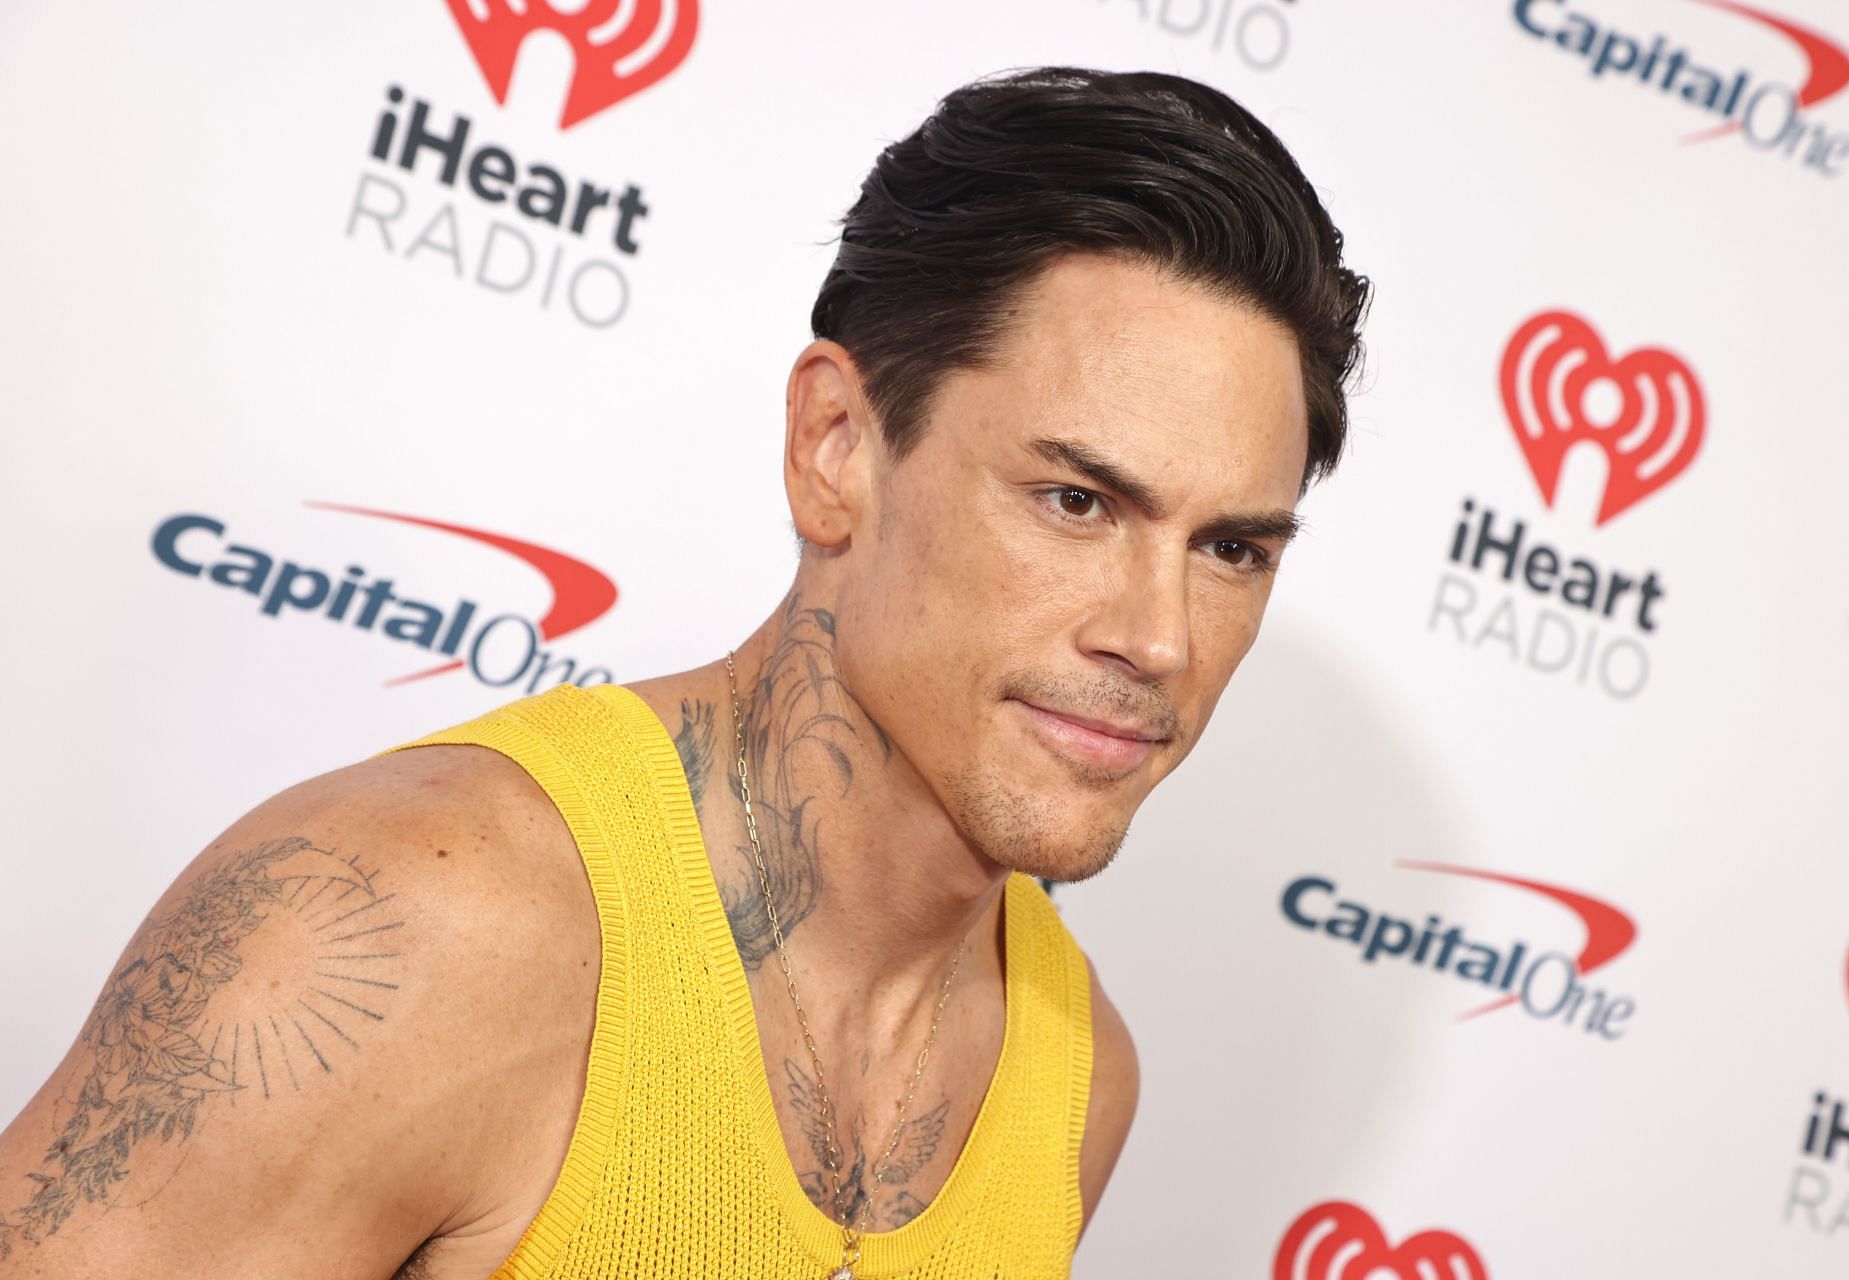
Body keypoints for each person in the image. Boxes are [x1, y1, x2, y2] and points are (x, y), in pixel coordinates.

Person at [0, 65, 1369, 1279]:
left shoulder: (1078, 1074)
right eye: (1077, 503)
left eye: (1234, 548)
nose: (1162, 638)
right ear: (836, 444)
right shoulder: (397, 928)